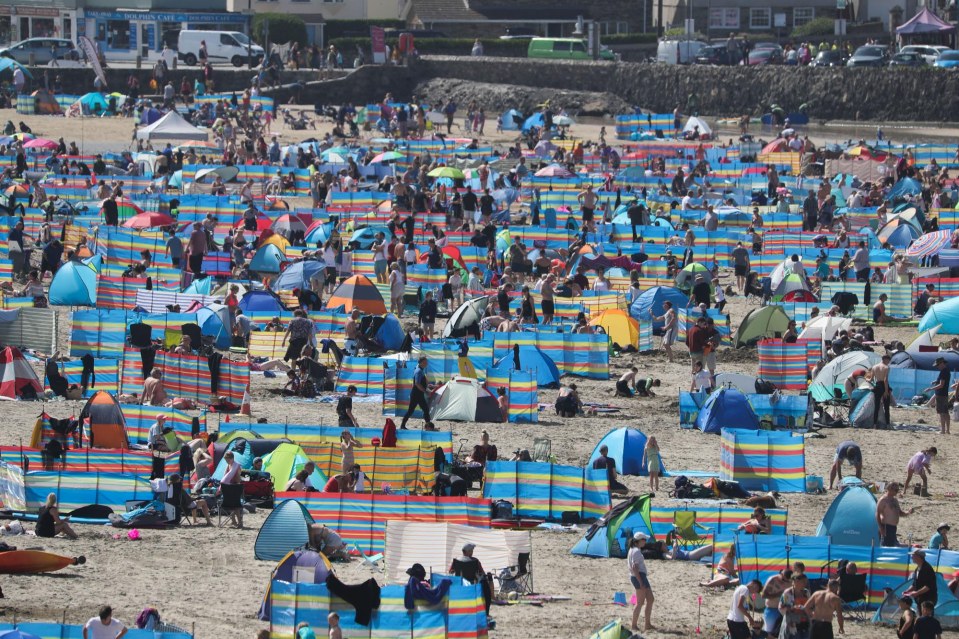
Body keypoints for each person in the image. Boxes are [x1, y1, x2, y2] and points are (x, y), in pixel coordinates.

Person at [627, 532, 654, 633]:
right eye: (644, 540)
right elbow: (634, 568)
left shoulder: (633, 550)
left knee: (650, 599)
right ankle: (634, 625)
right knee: (640, 602)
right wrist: (641, 582)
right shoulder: (636, 552)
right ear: (639, 541)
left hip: (639, 577)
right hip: (639, 577)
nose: (645, 542)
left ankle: (647, 624)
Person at [400, 356, 433, 430]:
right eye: (425, 362)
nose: (426, 363)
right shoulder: (418, 371)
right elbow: (417, 383)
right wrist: (425, 391)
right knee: (411, 410)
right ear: (421, 363)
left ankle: (429, 426)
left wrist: (428, 385)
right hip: (416, 394)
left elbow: (421, 382)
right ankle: (402, 425)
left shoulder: (420, 369)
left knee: (425, 409)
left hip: (419, 394)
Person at [877, 482, 913, 546]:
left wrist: (908, 512)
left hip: (893, 528)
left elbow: (900, 513)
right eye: (896, 490)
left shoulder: (895, 500)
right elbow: (877, 514)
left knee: (893, 546)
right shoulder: (883, 500)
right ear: (890, 489)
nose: (897, 492)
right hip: (886, 527)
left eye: (898, 490)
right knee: (886, 547)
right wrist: (881, 528)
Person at [761, 569, 792, 639]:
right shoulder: (773, 580)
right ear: (781, 575)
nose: (785, 582)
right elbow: (763, 595)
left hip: (785, 610)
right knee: (769, 632)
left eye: (788, 580)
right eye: (783, 580)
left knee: (783, 632)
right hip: (772, 609)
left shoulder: (791, 581)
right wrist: (778, 595)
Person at [778, 573, 810, 639]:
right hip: (792, 623)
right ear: (796, 581)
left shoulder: (806, 592)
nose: (805, 583)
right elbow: (781, 607)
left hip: (805, 622)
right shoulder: (788, 593)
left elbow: (810, 605)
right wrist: (793, 608)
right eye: (803, 581)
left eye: (805, 582)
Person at [925, 357, 951, 435]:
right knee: (946, 413)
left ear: (942, 363)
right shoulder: (947, 370)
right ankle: (947, 430)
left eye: (938, 365)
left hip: (940, 394)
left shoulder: (943, 372)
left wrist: (930, 389)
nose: (937, 367)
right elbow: (942, 381)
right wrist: (935, 381)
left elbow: (941, 385)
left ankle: (943, 430)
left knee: (941, 413)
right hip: (945, 394)